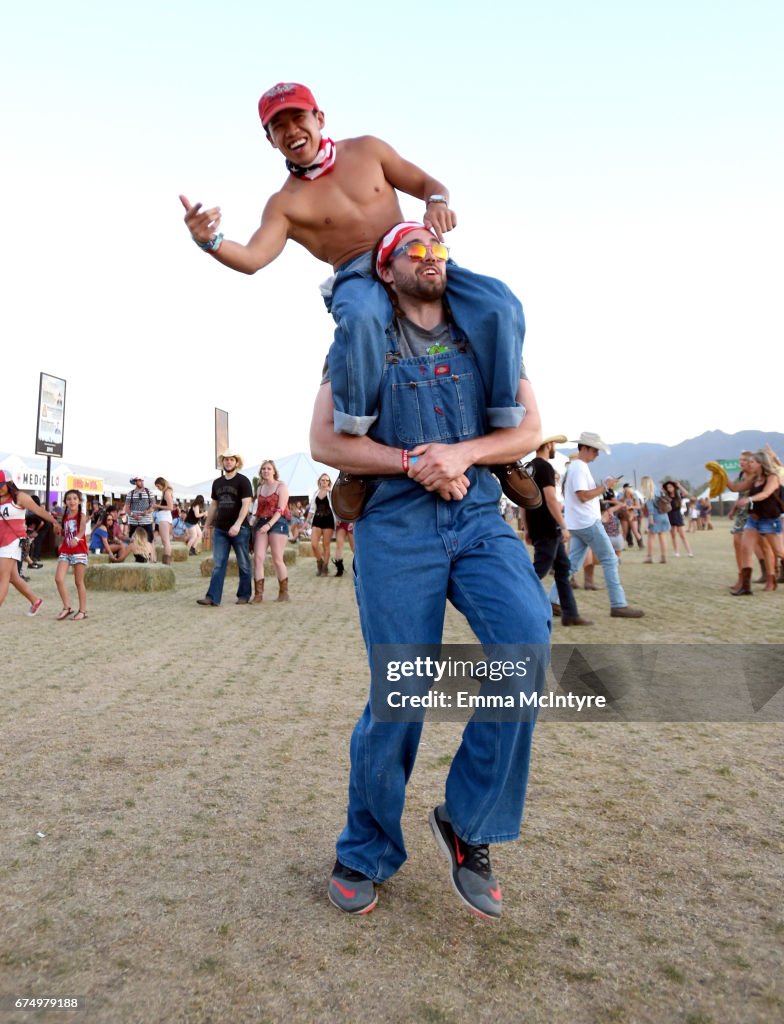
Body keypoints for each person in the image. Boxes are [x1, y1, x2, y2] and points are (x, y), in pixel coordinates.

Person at [310, 224, 551, 919]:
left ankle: (468, 824)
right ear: (385, 271)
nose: (429, 257)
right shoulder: (358, 340)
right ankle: (365, 849)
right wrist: (416, 461)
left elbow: (529, 427)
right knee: (401, 691)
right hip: (395, 524)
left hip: (477, 515)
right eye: (412, 251)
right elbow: (324, 440)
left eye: (437, 250)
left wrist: (464, 454)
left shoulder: (483, 328)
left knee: (526, 642)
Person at [180, 82, 525, 438]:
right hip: (357, 273)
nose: (292, 131)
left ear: (320, 118)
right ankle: (355, 432)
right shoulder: (284, 203)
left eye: (298, 118)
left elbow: (428, 184)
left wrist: (436, 202)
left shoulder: (368, 151)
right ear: (270, 139)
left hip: (413, 253)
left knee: (501, 304)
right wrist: (209, 241)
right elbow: (252, 258)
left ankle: (502, 419)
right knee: (360, 317)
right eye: (278, 126)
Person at [550, 434, 644, 618]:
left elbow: (582, 495)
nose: (597, 454)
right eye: (594, 449)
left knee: (572, 565)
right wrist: (604, 486)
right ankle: (618, 604)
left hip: (578, 523)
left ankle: (553, 601)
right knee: (610, 559)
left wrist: (604, 486)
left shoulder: (577, 467)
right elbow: (583, 496)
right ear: (583, 448)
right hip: (587, 522)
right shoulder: (579, 468)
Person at [523, 435, 591, 626]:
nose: (554, 448)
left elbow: (524, 501)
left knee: (562, 568)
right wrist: (563, 525)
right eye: (554, 445)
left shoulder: (529, 467)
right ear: (549, 445)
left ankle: (570, 614)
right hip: (547, 527)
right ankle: (516, 608)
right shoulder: (545, 467)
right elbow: (551, 499)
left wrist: (527, 527)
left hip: (537, 526)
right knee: (539, 571)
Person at [722, 449, 783, 594]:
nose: (749, 464)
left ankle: (772, 579)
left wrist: (749, 499)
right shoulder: (754, 478)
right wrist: (721, 475)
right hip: (754, 519)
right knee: (745, 548)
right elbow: (735, 487)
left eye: (752, 462)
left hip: (770, 520)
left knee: (779, 552)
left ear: (761, 463)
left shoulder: (772, 477)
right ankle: (746, 586)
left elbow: (766, 493)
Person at [198, 450, 253, 607]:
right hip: (220, 529)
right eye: (226, 460)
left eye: (231, 459)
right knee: (218, 564)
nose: (228, 462)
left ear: (236, 462)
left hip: (240, 529)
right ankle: (212, 597)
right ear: (222, 463)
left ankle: (244, 595)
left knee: (243, 563)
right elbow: (214, 505)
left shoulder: (243, 481)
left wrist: (237, 524)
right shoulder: (217, 483)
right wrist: (206, 525)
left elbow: (246, 504)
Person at [0, 471, 59, 615]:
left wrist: (54, 521)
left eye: (1, 485)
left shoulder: (20, 497)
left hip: (13, 541)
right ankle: (35, 600)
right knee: (13, 577)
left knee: (2, 576)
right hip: (2, 541)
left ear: (9, 483)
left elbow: (38, 510)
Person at [251, 460, 290, 603]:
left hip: (278, 522)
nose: (265, 471)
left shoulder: (281, 486)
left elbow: (281, 509)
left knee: (277, 559)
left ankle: (283, 592)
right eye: (263, 469)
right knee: (258, 558)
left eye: (268, 468)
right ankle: (258, 594)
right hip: (262, 521)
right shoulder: (260, 488)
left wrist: (269, 524)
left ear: (274, 471)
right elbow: (258, 510)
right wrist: (253, 525)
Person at [55, 489, 89, 621]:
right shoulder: (65, 516)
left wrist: (76, 539)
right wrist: (58, 531)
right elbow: (65, 532)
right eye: (69, 499)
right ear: (65, 502)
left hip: (79, 550)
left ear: (79, 501)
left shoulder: (82, 515)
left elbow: (81, 531)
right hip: (66, 550)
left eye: (75, 498)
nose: (72, 501)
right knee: (58, 578)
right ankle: (67, 607)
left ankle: (83, 610)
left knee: (78, 582)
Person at [306, 475, 334, 577]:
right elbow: (312, 509)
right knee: (314, 544)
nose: (325, 482)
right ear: (319, 481)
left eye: (327, 480)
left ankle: (325, 568)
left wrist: (338, 519)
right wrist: (306, 522)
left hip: (328, 519)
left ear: (329, 482)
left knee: (326, 545)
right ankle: (320, 562)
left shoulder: (331, 493)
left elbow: (335, 507)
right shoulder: (315, 493)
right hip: (317, 519)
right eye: (323, 480)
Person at [640, 476, 671, 564]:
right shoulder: (659, 490)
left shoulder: (649, 493)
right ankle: (664, 557)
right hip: (664, 515)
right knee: (662, 537)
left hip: (655, 517)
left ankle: (649, 558)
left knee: (651, 537)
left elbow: (650, 509)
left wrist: (650, 519)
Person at [662, 480, 694, 557]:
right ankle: (676, 552)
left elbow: (686, 493)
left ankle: (689, 551)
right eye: (668, 487)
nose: (669, 488)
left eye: (670, 487)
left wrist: (679, 486)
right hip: (669, 515)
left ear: (674, 487)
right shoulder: (666, 496)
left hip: (678, 515)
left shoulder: (678, 495)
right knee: (673, 535)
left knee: (682, 534)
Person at [123, 476, 155, 547]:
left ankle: (149, 556)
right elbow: (127, 508)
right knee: (133, 541)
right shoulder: (130, 494)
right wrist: (133, 515)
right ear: (135, 482)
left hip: (146, 522)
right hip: (133, 522)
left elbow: (153, 506)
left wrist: (147, 511)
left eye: (142, 480)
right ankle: (135, 555)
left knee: (149, 540)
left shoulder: (149, 492)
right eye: (139, 480)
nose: (142, 482)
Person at [154, 477, 175, 564]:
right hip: (165, 517)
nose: (158, 488)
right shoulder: (167, 492)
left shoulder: (166, 493)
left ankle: (166, 562)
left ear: (162, 484)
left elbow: (170, 507)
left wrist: (157, 506)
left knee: (166, 541)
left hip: (164, 518)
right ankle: (166, 561)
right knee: (165, 541)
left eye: (158, 486)